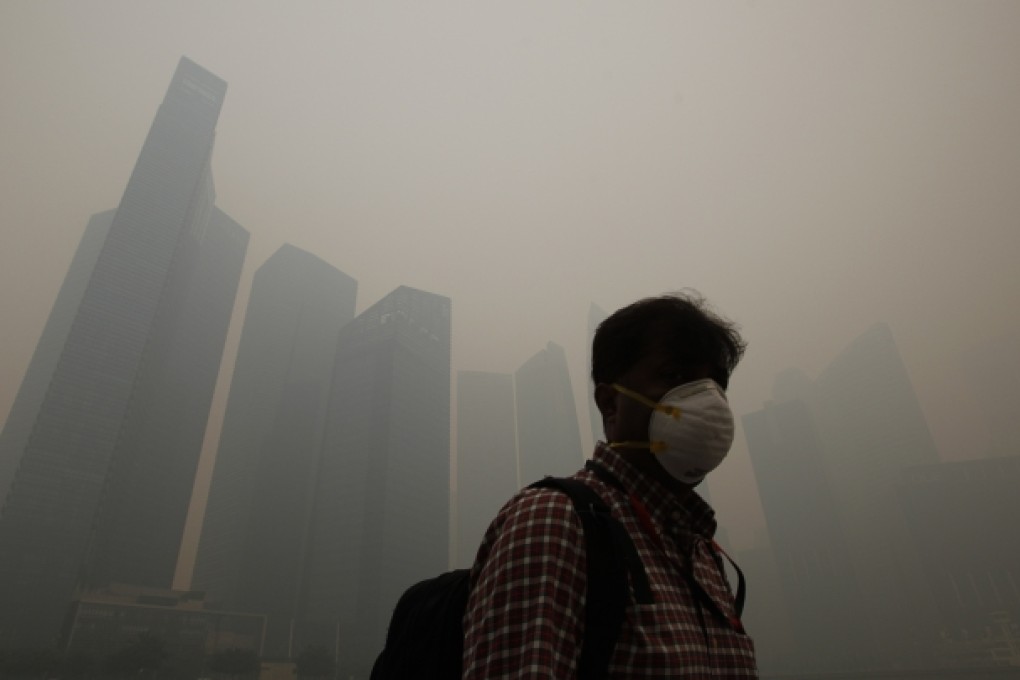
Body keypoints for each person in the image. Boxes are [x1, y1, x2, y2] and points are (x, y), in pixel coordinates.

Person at [462, 292, 759, 678]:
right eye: (673, 376)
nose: (706, 402)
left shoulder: (705, 555)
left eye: (714, 384)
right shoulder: (555, 520)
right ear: (610, 404)